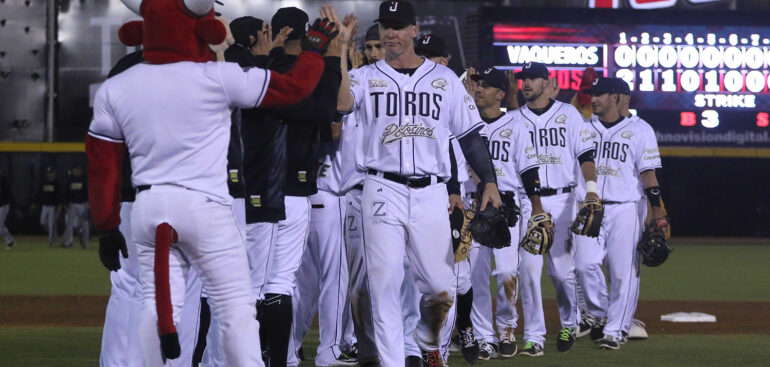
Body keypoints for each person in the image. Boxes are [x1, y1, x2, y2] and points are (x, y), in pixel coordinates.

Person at [86, 0, 331, 365]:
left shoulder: (123, 75)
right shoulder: (213, 72)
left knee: (130, 292)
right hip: (204, 204)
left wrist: (106, 225)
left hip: (140, 203)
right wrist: (314, 47)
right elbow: (294, 90)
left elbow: (101, 159)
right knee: (229, 299)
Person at [336, 1, 502, 365]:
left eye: (398, 26)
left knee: (441, 290)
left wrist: (489, 181)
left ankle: (430, 345)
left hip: (432, 193)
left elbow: (471, 137)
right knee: (384, 287)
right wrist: (342, 52)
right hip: (381, 190)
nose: (390, 33)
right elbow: (342, 105)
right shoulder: (365, 76)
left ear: (414, 30)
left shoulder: (444, 81)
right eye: (385, 26)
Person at [462, 67, 550, 360]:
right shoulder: (465, 124)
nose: (478, 89)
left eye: (485, 86)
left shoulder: (516, 127)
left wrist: (537, 209)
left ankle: (507, 328)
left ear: (500, 94)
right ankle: (484, 335)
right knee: (475, 272)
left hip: (508, 206)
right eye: (477, 84)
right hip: (474, 204)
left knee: (507, 271)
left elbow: (529, 170)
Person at [512, 61, 599, 357]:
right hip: (527, 201)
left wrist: (591, 191)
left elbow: (586, 155)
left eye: (533, 78)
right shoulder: (515, 119)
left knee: (562, 274)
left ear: (547, 83)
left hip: (562, 200)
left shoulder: (568, 114)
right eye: (524, 78)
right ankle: (534, 337)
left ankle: (569, 322)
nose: (527, 83)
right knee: (528, 270)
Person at [572, 77, 665, 350]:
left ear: (615, 97)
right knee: (584, 265)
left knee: (624, 272)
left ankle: (616, 330)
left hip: (625, 208)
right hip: (590, 208)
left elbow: (649, 175)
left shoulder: (640, 129)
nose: (594, 98)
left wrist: (657, 211)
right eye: (592, 94)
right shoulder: (583, 128)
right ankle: (601, 316)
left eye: (599, 94)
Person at [414, 32, 479, 364]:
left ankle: (454, 335)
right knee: (419, 279)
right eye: (421, 56)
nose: (427, 63)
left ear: (446, 61)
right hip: (423, 192)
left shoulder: (453, 92)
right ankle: (425, 349)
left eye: (433, 58)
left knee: (456, 277)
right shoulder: (416, 90)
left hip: (455, 195)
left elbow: (473, 146)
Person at [62, 164, 89, 249]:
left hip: (83, 204)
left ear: (81, 170)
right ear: (73, 171)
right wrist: (65, 203)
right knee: (69, 224)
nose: (77, 171)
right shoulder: (70, 180)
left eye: (79, 170)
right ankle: (67, 242)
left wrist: (88, 204)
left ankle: (85, 243)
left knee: (84, 224)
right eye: (76, 170)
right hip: (72, 204)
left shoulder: (84, 179)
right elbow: (66, 192)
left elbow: (89, 192)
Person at [40, 167, 60, 247]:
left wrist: (58, 205)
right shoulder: (44, 182)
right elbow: (40, 193)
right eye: (48, 173)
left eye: (51, 173)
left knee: (51, 223)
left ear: (54, 173)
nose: (49, 174)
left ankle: (51, 241)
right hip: (45, 206)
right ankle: (53, 234)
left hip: (53, 206)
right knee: (43, 222)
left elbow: (59, 195)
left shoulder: (56, 183)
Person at [0, 170, 13, 250]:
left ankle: (10, 241)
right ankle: (10, 241)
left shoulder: (3, 181)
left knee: (0, 225)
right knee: (1, 225)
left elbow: (8, 194)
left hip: (4, 205)